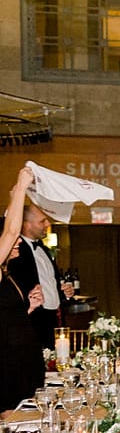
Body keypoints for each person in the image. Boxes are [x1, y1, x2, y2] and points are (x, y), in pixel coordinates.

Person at [0, 168, 45, 413]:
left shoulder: (7, 276)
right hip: (7, 367)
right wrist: (20, 188)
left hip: (22, 362)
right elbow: (10, 231)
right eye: (11, 240)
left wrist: (27, 308)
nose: (17, 241)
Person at [8, 200, 74, 348]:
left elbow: (48, 282)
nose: (47, 224)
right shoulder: (13, 252)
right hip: (32, 321)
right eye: (42, 221)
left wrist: (63, 293)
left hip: (53, 319)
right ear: (27, 224)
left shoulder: (44, 249)